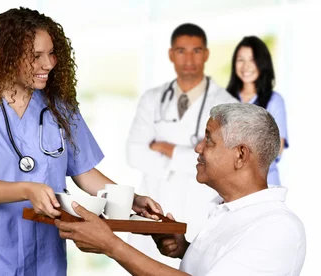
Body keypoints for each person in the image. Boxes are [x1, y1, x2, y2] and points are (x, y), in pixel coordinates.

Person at [0, 7, 161, 276]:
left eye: (51, 53)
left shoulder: (58, 106)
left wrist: (129, 200)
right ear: (6, 57)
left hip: (44, 257)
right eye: (36, 56)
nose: (49, 64)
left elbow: (84, 171)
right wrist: (27, 189)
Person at [56, 103, 306, 275]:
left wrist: (111, 246)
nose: (198, 148)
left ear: (240, 155)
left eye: (209, 139)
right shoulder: (227, 211)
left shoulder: (277, 228)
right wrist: (186, 250)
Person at [125, 23, 238, 267]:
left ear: (206, 54)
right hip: (154, 211)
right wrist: (190, 158)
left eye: (196, 51)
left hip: (198, 214)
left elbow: (222, 162)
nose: (189, 59)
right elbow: (134, 153)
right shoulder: (152, 99)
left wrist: (167, 149)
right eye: (181, 51)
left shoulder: (226, 103)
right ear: (170, 54)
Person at [227, 36, 288, 186]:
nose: (246, 66)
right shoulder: (225, 99)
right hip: (230, 182)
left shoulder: (274, 100)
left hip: (265, 182)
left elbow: (277, 148)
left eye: (252, 59)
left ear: (262, 63)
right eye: (241, 60)